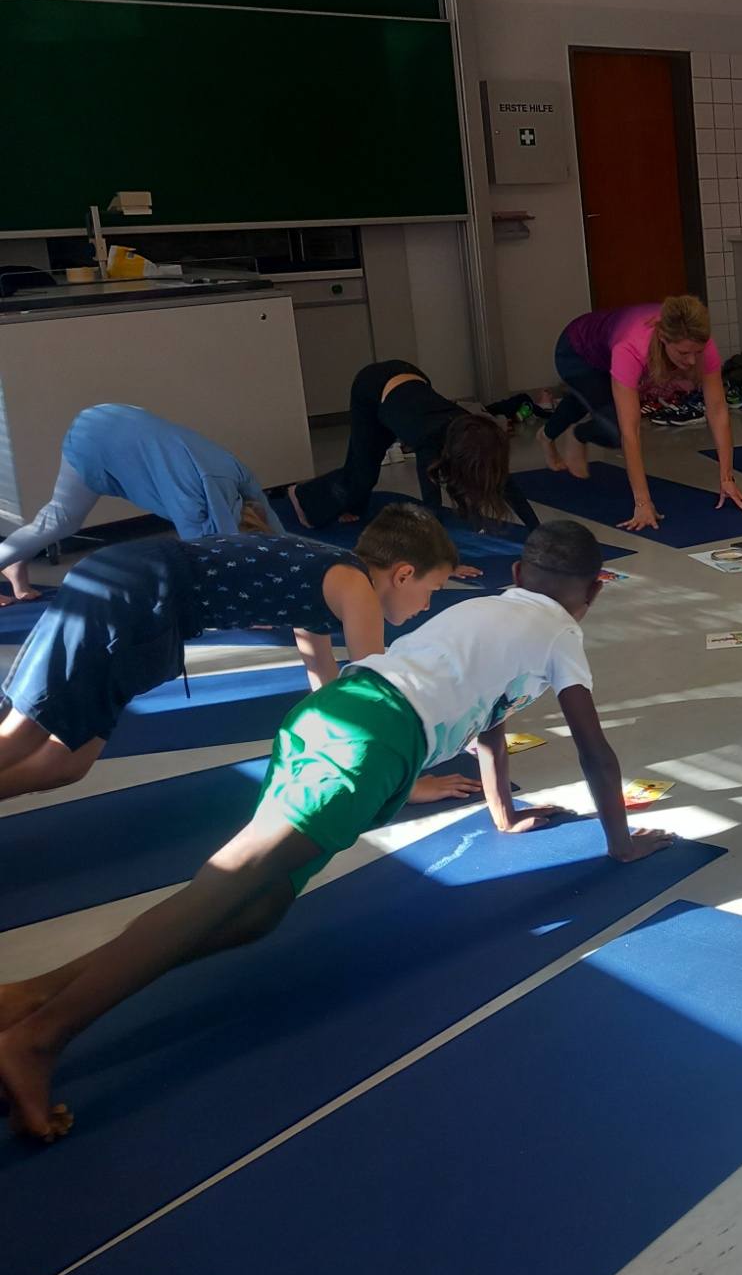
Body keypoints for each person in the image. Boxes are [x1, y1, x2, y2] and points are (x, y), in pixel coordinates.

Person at [0, 519, 677, 1144]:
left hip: (334, 715)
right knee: (221, 890)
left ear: (520, 575)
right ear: (593, 590)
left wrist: (502, 811)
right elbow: (594, 751)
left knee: (256, 911)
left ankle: (32, 995)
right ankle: (39, 1038)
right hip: (370, 742)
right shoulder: (561, 636)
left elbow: (490, 718)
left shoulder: (486, 610)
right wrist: (620, 845)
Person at [0, 504, 464, 805]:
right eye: (433, 589)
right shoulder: (356, 590)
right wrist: (408, 786)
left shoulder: (335, 579)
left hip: (131, 583)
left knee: (67, 762)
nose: (427, 605)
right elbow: (373, 702)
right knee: (22, 735)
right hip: (138, 588)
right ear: (404, 574)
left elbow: (326, 684)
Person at [0, 405, 278, 606]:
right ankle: (10, 557)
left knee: (60, 517)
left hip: (109, 421)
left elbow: (274, 531)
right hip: (96, 438)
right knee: (63, 519)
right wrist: (247, 605)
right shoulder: (194, 501)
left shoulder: (238, 475)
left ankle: (16, 561)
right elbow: (204, 560)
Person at [538, 295, 742, 531]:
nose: (693, 360)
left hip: (605, 349)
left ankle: (561, 434)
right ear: (663, 338)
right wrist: (642, 503)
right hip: (576, 351)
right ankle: (565, 435)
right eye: (683, 353)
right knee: (612, 427)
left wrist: (727, 479)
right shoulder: (631, 348)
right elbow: (631, 432)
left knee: (592, 399)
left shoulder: (700, 343)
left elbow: (718, 410)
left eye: (697, 352)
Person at [288, 361, 538, 564]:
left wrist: (537, 532)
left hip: (410, 380)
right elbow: (431, 507)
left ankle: (351, 502)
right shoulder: (428, 440)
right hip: (371, 387)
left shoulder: (469, 428)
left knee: (359, 483)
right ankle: (301, 494)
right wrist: (443, 564)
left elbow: (506, 483)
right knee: (363, 474)